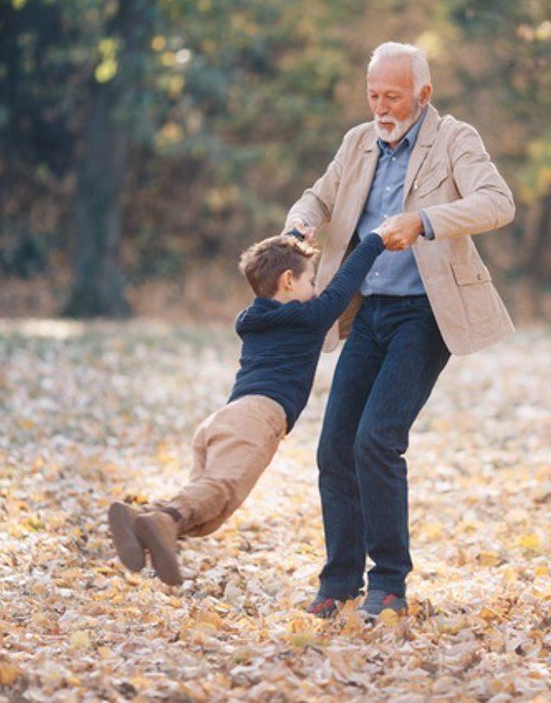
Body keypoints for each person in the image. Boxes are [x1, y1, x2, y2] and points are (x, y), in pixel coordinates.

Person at [285, 42, 515, 619]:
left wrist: (426, 221)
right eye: (374, 96)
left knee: (377, 440)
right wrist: (299, 224)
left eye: (393, 96)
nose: (382, 107)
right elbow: (321, 195)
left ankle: (389, 582)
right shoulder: (358, 142)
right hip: (367, 312)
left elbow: (497, 202)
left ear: (423, 95)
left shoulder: (455, 139)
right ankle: (339, 582)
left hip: (425, 314)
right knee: (335, 447)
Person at [107, 225, 396, 586]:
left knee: (211, 504)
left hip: (226, 416)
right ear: (288, 281)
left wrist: (288, 241)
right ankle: (166, 519)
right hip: (257, 418)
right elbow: (344, 286)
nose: (315, 290)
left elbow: (280, 273)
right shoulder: (307, 317)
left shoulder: (252, 318)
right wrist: (374, 241)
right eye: (309, 281)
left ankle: (144, 520)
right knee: (221, 491)